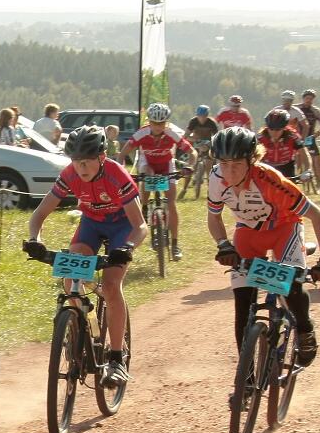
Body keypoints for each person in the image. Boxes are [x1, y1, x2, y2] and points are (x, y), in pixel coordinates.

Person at [23, 125, 147, 386]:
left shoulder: (116, 174)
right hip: (92, 224)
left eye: (87, 161)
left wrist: (127, 248)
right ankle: (80, 326)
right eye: (76, 161)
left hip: (122, 227)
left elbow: (140, 226)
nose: (81, 167)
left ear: (101, 157)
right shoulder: (70, 174)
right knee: (71, 277)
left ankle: (116, 358)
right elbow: (39, 214)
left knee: (111, 285)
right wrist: (35, 239)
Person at [206, 126, 320, 368]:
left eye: (236, 164)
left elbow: (318, 216)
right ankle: (246, 378)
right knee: (243, 302)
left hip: (283, 229)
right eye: (223, 164)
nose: (229, 172)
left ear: (252, 160)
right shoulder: (216, 178)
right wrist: (223, 245)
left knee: (291, 285)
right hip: (248, 232)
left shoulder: (270, 181)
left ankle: (305, 329)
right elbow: (214, 216)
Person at [117, 102, 197, 260]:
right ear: (149, 121)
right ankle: (145, 207)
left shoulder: (171, 133)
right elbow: (122, 153)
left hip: (166, 164)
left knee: (171, 203)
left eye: (161, 123)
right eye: (154, 123)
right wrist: (122, 170)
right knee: (147, 175)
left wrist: (190, 166)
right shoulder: (142, 133)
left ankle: (175, 244)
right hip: (148, 163)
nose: (158, 127)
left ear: (166, 122)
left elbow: (192, 152)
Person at [258, 109, 311, 180]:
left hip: (286, 168)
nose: (274, 132)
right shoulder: (260, 138)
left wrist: (308, 170)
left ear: (284, 128)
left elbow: (304, 153)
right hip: (266, 167)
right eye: (271, 129)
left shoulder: (293, 136)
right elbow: (251, 157)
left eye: (278, 130)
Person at [182, 105, 220, 199]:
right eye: (200, 116)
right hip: (196, 144)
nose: (202, 118)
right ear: (197, 115)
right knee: (191, 167)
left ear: (207, 116)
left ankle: (210, 191)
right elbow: (185, 136)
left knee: (209, 167)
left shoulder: (212, 123)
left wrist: (208, 145)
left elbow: (216, 138)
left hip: (208, 145)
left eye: (204, 116)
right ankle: (184, 189)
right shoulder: (193, 121)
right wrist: (194, 139)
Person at [297, 89, 320, 192]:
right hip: (298, 137)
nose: (308, 100)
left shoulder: (315, 110)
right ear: (303, 98)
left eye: (311, 99)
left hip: (310, 138)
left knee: (317, 159)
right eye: (307, 98)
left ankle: (319, 182)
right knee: (297, 160)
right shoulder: (297, 108)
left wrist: (319, 132)